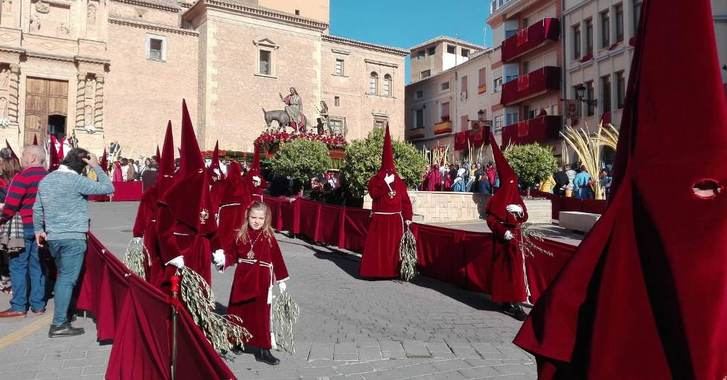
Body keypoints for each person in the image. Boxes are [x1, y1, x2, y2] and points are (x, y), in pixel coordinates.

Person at [33, 148, 114, 337]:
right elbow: (108, 188)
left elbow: (37, 208)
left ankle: (66, 311)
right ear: (82, 165)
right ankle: (59, 323)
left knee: (63, 277)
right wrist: (96, 167)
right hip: (73, 237)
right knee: (67, 279)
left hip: (53, 237)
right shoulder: (76, 180)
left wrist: (39, 230)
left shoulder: (46, 180)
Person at [213, 201, 288, 366]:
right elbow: (232, 255)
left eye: (261, 218)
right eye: (254, 217)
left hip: (262, 280)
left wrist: (281, 278)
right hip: (243, 278)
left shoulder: (268, 236)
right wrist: (224, 259)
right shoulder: (240, 234)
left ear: (266, 219)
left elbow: (277, 258)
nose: (257, 221)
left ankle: (263, 349)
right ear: (247, 216)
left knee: (260, 315)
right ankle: (236, 340)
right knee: (238, 311)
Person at [484, 132, 529, 321]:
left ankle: (517, 303)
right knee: (504, 273)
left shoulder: (516, 198)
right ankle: (506, 300)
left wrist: (519, 210)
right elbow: (491, 220)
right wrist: (503, 232)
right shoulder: (496, 199)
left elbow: (525, 216)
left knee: (516, 274)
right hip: (503, 241)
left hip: (516, 240)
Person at [359, 125, 413, 279]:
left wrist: (408, 217)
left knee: (393, 248)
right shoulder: (375, 180)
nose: (389, 171)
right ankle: (374, 272)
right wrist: (383, 183)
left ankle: (393, 271)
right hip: (379, 219)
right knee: (378, 247)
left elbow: (405, 200)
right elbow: (374, 194)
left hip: (396, 219)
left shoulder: (399, 181)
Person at [0, 145, 47, 318]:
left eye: (24, 155)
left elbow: (11, 204)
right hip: (42, 229)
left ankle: (19, 305)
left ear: (33, 158)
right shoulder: (49, 177)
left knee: (18, 266)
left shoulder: (23, 177)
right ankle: (38, 304)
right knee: (38, 266)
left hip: (23, 227)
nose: (21, 157)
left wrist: (3, 218)